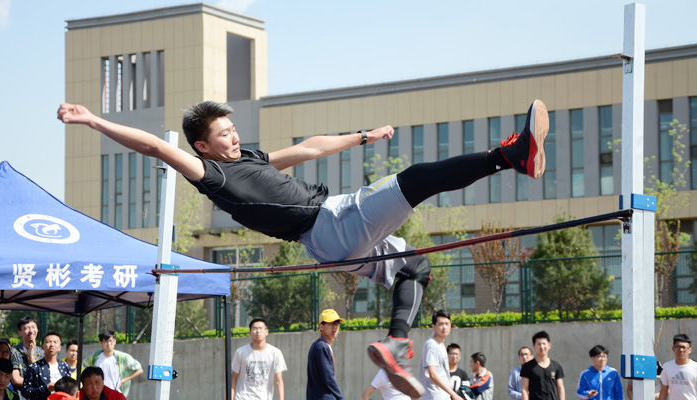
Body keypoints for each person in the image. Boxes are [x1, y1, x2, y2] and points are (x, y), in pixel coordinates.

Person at [58, 98, 549, 397]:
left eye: (232, 129)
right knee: (416, 180)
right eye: (222, 133)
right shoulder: (211, 174)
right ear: (202, 147)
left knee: (415, 267)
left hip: (331, 233)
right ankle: (511, 154)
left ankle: (395, 347)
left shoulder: (246, 155)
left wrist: (363, 136)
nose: (232, 136)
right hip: (329, 225)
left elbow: (307, 148)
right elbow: (156, 148)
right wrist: (95, 122)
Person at [230, 317, 287, 400]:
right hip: (243, 397)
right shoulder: (240, 352)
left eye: (261, 328)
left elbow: (278, 380)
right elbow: (234, 378)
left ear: (266, 332)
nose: (258, 331)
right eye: (254, 329)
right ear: (250, 333)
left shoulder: (275, 353)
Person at [419, 310, 464, 400]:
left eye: (447, 324)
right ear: (434, 327)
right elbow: (433, 374)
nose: (444, 327)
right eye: (441, 324)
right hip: (432, 396)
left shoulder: (442, 345)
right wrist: (453, 394)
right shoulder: (431, 345)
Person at [82, 331, 142, 398]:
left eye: (111, 341)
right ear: (100, 343)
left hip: (116, 394)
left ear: (115, 342)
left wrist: (123, 380)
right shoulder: (94, 357)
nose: (108, 344)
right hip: (100, 395)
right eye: (105, 341)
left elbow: (139, 370)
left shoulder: (122, 357)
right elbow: (83, 368)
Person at [307, 309, 344, 400]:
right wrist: (340, 397)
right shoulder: (321, 347)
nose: (335, 327)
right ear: (321, 326)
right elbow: (329, 379)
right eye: (331, 323)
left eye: (337, 323)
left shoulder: (320, 346)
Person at [22, 332, 72, 400]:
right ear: (42, 347)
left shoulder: (65, 366)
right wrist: (45, 389)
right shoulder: (34, 367)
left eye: (55, 342)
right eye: (48, 342)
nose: (52, 345)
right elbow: (25, 391)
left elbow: (70, 389)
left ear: (60, 347)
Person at [521, 331, 565, 400]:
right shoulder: (527, 367)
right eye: (538, 344)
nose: (542, 347)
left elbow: (560, 387)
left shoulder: (556, 366)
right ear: (534, 346)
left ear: (549, 346)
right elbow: (524, 389)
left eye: (544, 344)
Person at [11, 316, 44, 400]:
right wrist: (37, 383)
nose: (31, 331)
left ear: (37, 330)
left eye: (33, 327)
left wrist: (31, 358)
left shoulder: (43, 353)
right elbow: (16, 379)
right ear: (20, 332)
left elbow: (44, 378)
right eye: (27, 328)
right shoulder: (13, 352)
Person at [659, 334, 697, 400]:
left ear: (690, 350)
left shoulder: (695, 367)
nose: (681, 350)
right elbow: (664, 389)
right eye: (678, 347)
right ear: (673, 348)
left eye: (684, 347)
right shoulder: (667, 366)